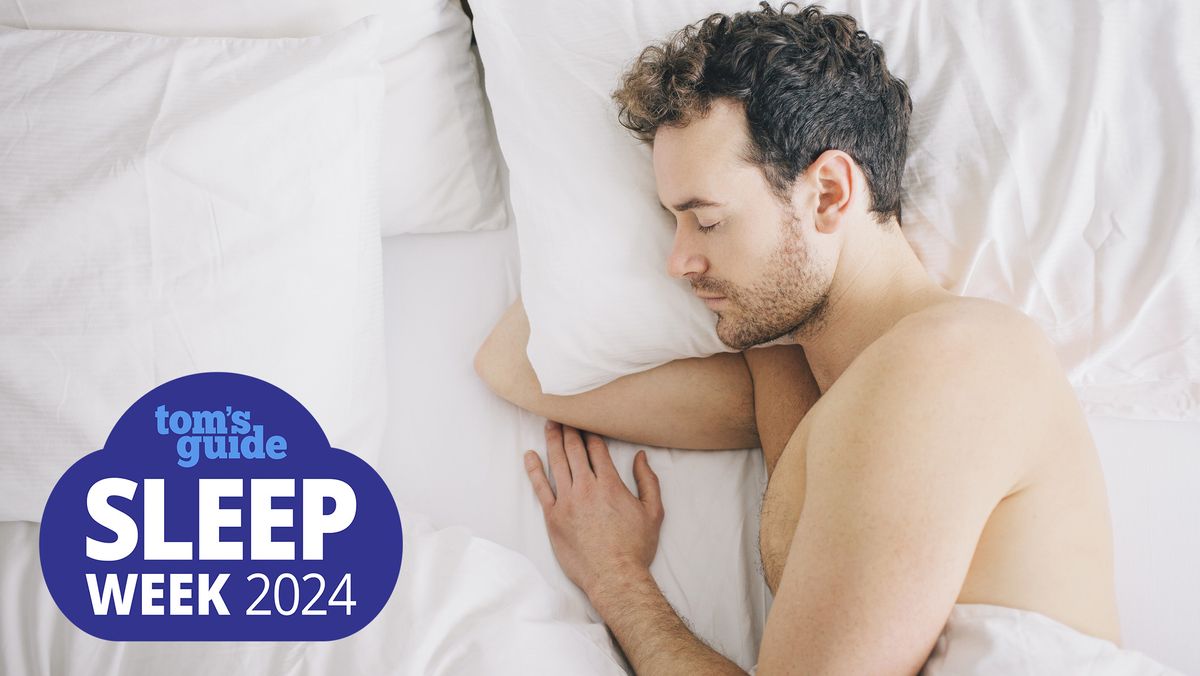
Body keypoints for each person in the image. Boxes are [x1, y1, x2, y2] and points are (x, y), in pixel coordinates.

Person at [474, 3, 1133, 674]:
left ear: (828, 195)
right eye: (669, 221)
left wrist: (619, 581)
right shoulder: (798, 382)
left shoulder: (951, 362)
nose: (676, 261)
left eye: (706, 221)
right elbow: (514, 365)